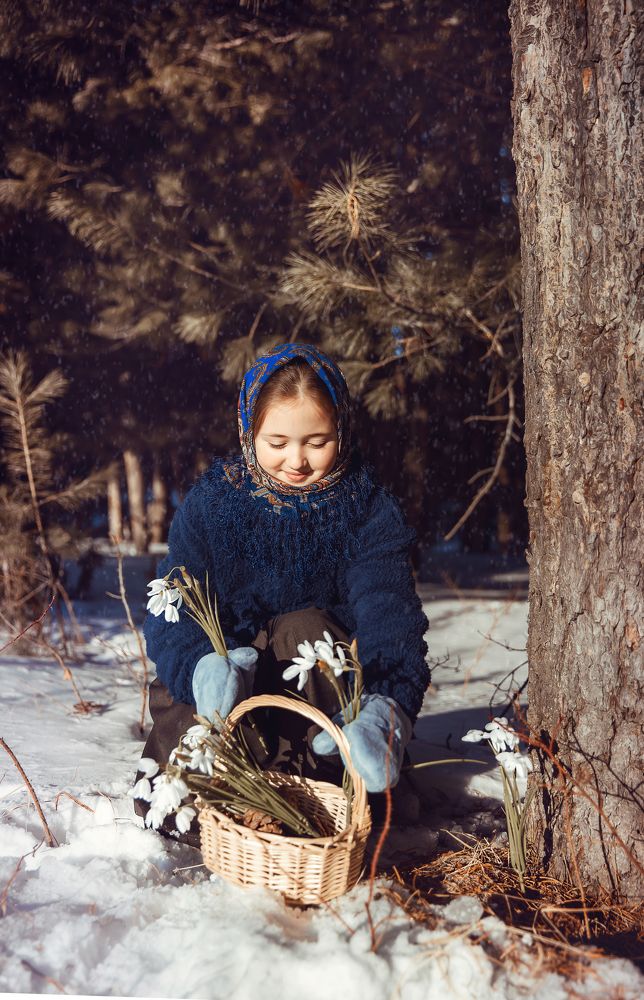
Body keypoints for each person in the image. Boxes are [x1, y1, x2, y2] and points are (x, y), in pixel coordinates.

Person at [134, 342, 430, 839]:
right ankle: (223, 803)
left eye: (317, 442)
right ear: (249, 432)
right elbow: (175, 602)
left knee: (305, 628)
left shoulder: (367, 509)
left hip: (314, 695)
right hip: (229, 687)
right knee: (185, 761)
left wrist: (386, 704)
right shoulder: (213, 504)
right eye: (277, 442)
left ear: (342, 431)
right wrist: (201, 667)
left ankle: (316, 801)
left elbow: (389, 612)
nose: (296, 460)